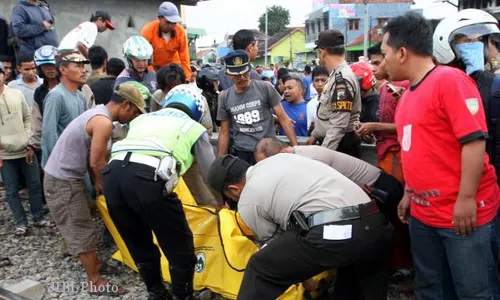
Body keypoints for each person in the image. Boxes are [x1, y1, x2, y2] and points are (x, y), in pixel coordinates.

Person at [383, 12, 500, 299]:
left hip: (462, 216)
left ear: (401, 53)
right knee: (431, 289)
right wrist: (410, 192)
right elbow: (415, 149)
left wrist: (466, 198)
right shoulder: (408, 97)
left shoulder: (450, 81)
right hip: (425, 216)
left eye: (384, 54)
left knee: (475, 292)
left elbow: (474, 142)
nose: (383, 62)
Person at [207, 154, 393, 300]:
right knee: (356, 280)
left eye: (230, 198)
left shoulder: (248, 200)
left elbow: (278, 248)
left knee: (260, 268)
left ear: (233, 189)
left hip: (339, 232)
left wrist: (307, 282)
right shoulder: (277, 160)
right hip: (376, 222)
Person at [103, 85, 216, 300]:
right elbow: (211, 171)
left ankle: (156, 293)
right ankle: (183, 297)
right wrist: (220, 201)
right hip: (149, 180)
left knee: (139, 241)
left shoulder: (141, 119)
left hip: (113, 177)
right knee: (180, 246)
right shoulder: (193, 127)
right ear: (197, 111)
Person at [43, 82, 144, 297]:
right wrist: (103, 184)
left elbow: (99, 157)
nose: (133, 116)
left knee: (85, 219)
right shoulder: (104, 122)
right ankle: (94, 280)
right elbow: (96, 162)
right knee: (80, 227)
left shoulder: (98, 114)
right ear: (126, 105)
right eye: (134, 111)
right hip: (62, 182)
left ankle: (95, 263)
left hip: (68, 177)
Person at [357, 42, 413, 284]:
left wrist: (377, 127)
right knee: (387, 211)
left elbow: (410, 127)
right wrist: (374, 132)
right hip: (385, 155)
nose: (373, 67)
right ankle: (393, 262)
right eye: (372, 62)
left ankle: (406, 265)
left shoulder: (406, 87)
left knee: (399, 211)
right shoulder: (383, 89)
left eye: (378, 62)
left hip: (402, 160)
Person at [254, 137, 404, 223]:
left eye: (271, 162)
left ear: (283, 152)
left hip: (382, 190)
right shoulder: (297, 156)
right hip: (371, 192)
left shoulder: (311, 160)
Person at [433, 9, 500, 184]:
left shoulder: (495, 86)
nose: (475, 45)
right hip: (446, 181)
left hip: (489, 182)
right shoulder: (435, 85)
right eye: (467, 40)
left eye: (480, 40)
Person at [216, 50, 297, 165]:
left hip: (267, 151)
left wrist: (296, 149)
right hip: (242, 154)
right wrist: (220, 162)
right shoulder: (224, 97)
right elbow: (224, 132)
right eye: (237, 75)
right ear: (228, 75)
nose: (242, 77)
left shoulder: (265, 88)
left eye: (245, 73)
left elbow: (283, 118)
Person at [0, 62, 50, 236]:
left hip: (25, 148)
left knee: (35, 184)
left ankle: (38, 217)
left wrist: (30, 142)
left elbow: (29, 118)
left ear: (3, 75)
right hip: (5, 154)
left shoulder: (16, 94)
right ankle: (20, 222)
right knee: (11, 190)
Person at [308, 30, 362, 158]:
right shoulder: (335, 75)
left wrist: (323, 156)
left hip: (340, 147)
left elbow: (339, 125)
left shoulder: (341, 79)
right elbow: (327, 112)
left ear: (322, 52)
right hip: (336, 145)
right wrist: (315, 134)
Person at [41, 52, 89, 167]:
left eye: (83, 66)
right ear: (63, 70)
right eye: (78, 66)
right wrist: (60, 163)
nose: (83, 70)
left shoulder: (80, 95)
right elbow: (49, 134)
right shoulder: (56, 96)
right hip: (61, 166)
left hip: (78, 161)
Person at [29, 45, 59, 201]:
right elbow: (37, 121)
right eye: (45, 65)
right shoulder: (39, 93)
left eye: (53, 64)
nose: (50, 69)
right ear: (39, 68)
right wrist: (33, 145)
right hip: (50, 144)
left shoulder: (75, 87)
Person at [141, 1, 191, 81]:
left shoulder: (181, 32)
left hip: (173, 65)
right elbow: (144, 55)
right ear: (160, 18)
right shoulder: (148, 30)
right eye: (167, 22)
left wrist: (187, 78)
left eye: (174, 23)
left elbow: (184, 57)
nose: (171, 26)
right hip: (154, 66)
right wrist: (152, 74)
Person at [114, 36, 157, 111]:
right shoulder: (122, 81)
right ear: (129, 60)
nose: (141, 64)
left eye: (144, 60)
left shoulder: (153, 76)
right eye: (137, 60)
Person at [306, 66, 328, 133]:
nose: (320, 84)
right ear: (313, 83)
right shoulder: (310, 104)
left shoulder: (335, 101)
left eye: (323, 80)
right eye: (317, 80)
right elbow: (309, 128)